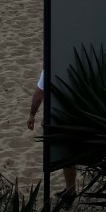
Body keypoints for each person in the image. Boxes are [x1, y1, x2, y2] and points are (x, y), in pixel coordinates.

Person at [28, 70, 77, 200]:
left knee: (66, 152)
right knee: (69, 151)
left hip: (62, 117)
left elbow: (39, 94)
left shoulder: (51, 66)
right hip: (83, 112)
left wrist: (32, 114)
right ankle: (70, 189)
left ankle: (71, 190)